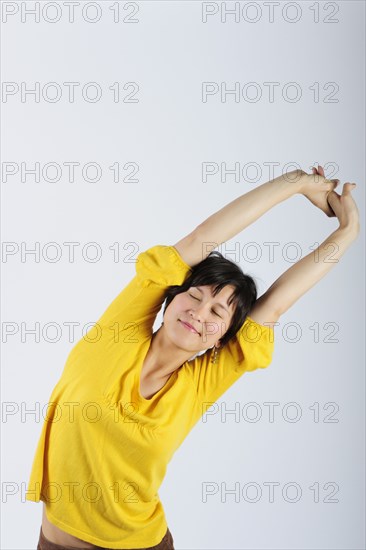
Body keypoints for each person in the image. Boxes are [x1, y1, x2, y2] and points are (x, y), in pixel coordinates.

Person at [26, 166, 360, 550]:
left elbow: (277, 304)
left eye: (218, 313)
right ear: (170, 298)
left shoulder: (204, 380)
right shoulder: (116, 335)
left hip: (140, 543)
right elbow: (201, 238)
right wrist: (295, 183)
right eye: (196, 296)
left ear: (223, 338)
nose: (200, 314)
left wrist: (346, 232)